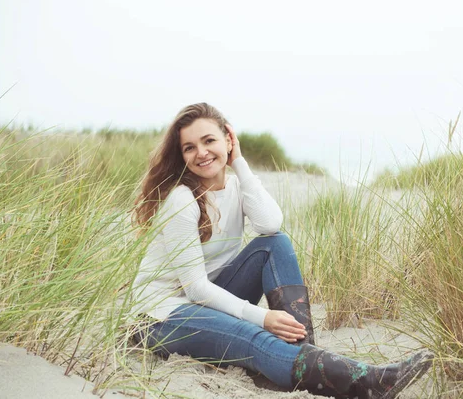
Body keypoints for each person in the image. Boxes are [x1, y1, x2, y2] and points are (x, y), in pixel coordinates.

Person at [131, 103, 433, 399]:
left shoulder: (237, 188)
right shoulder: (182, 200)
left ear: (228, 139)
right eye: (189, 147)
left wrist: (240, 163)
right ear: (181, 155)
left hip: (207, 301)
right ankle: (367, 384)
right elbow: (195, 289)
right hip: (161, 316)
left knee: (276, 243)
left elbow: (271, 224)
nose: (201, 152)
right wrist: (261, 317)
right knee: (252, 335)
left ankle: (301, 352)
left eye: (209, 140)